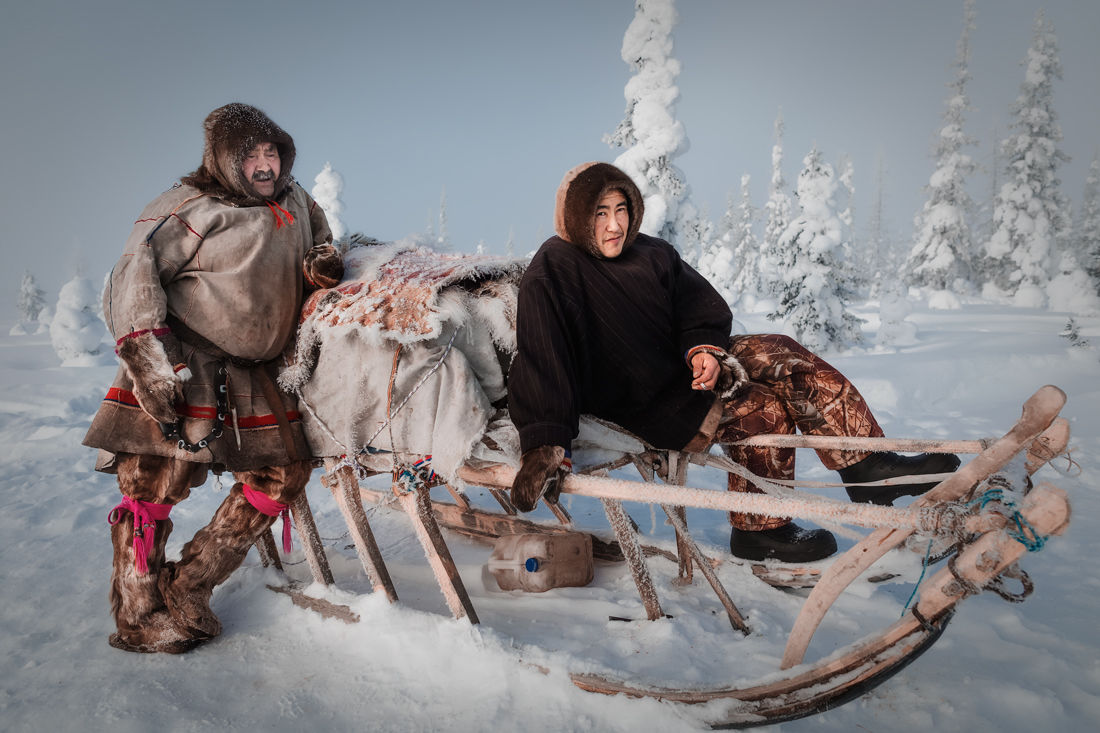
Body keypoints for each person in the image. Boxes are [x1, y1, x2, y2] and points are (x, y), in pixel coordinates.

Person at [507, 161, 959, 564]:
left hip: (682, 369)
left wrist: (703, 349)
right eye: (599, 213)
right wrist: (546, 443)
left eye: (620, 209)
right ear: (576, 217)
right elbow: (543, 357)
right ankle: (762, 533)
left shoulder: (651, 252)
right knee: (761, 408)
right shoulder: (555, 267)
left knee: (780, 351)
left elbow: (698, 307)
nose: (613, 225)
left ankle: (865, 465)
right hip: (638, 400)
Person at [83, 103, 344, 653]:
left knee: (284, 473)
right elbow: (135, 274)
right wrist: (153, 367)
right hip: (186, 364)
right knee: (154, 487)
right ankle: (139, 614)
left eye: (272, 152)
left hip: (255, 373)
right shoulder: (188, 207)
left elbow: (321, 241)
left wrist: (322, 262)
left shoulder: (296, 203)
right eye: (251, 155)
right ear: (225, 159)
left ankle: (192, 583)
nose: (265, 164)